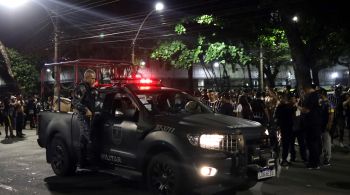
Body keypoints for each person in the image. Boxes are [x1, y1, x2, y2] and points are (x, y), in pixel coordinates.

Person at [72, 69, 97, 165]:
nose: (94, 80)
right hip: (83, 116)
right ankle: (88, 161)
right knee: (88, 137)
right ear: (87, 78)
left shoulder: (91, 88)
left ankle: (83, 161)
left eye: (94, 78)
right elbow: (75, 102)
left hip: (91, 116)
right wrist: (85, 109)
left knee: (84, 138)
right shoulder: (82, 88)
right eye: (93, 78)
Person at [319, 88, 334, 166]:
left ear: (322, 94)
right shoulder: (321, 103)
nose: (318, 95)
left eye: (319, 93)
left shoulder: (329, 103)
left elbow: (331, 115)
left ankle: (327, 159)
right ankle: (324, 158)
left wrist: (329, 124)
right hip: (320, 125)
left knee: (326, 143)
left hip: (325, 126)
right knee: (322, 142)